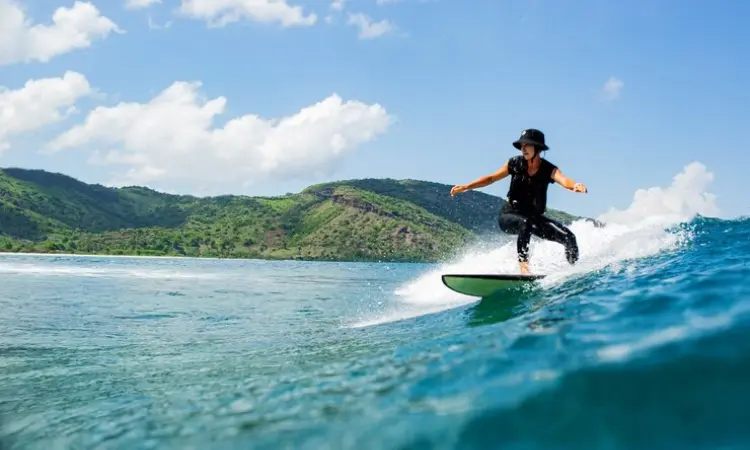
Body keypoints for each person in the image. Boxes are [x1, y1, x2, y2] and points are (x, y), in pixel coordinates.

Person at [450, 128, 588, 274]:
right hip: (510, 215)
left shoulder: (548, 169)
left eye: (527, 145)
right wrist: (467, 186)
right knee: (525, 223)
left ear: (538, 148)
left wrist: (575, 185)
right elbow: (491, 178)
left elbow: (563, 180)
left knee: (569, 237)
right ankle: (524, 270)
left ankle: (574, 271)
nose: (523, 148)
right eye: (521, 145)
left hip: (534, 217)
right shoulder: (514, 164)